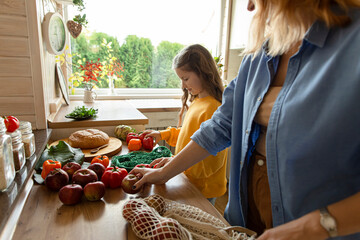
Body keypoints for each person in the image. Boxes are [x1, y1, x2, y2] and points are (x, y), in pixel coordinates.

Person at [131, 0, 360, 239]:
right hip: (245, 220)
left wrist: (314, 227)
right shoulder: (258, 56)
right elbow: (221, 126)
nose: (250, 7)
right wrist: (165, 172)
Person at [142, 44, 228, 205]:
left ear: (203, 73)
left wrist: (177, 166)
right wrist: (163, 135)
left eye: (185, 78)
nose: (183, 86)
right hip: (189, 181)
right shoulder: (198, 101)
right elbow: (188, 135)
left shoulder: (213, 107)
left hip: (203, 189)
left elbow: (211, 162)